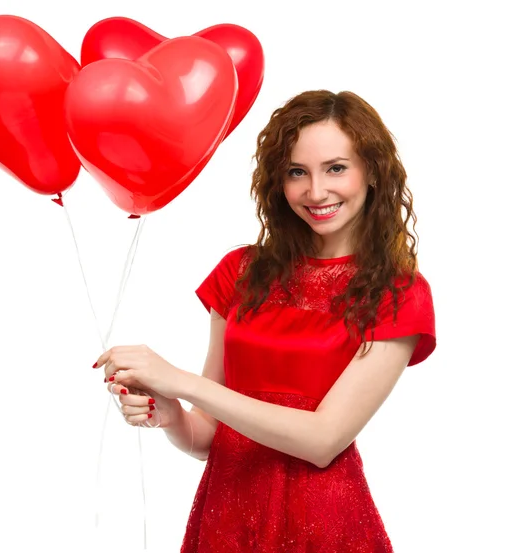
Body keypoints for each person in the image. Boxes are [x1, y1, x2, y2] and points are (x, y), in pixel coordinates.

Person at [93, 89, 437, 552]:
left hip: (323, 524)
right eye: (297, 172)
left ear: (372, 170)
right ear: (278, 181)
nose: (316, 192)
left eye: (336, 168)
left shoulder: (398, 294)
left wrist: (181, 382)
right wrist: (170, 414)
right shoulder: (240, 273)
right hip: (227, 515)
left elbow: (322, 440)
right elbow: (211, 437)